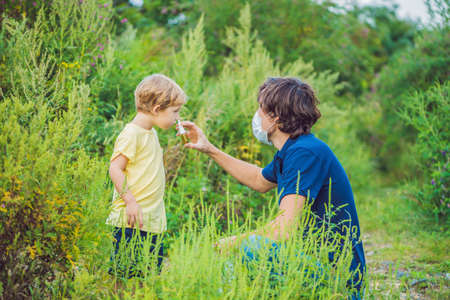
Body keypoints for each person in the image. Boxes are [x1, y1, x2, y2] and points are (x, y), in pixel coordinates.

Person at [179, 77, 366, 297]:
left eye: (260, 108)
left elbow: (283, 229)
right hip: (316, 266)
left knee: (252, 247)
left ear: (275, 117)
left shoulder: (305, 153)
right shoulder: (293, 150)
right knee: (237, 258)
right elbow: (259, 180)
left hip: (339, 282)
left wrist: (235, 241)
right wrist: (209, 148)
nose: (257, 115)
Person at [107, 74, 186, 277]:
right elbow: (115, 168)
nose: (178, 117)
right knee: (124, 277)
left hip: (150, 222)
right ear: (157, 109)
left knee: (146, 278)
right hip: (131, 221)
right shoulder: (132, 134)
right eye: (175, 112)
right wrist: (130, 202)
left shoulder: (151, 132)